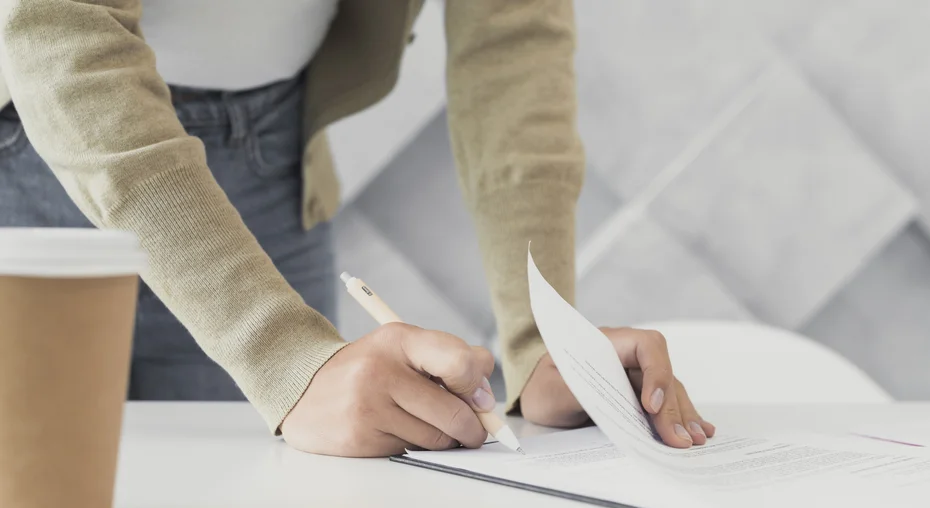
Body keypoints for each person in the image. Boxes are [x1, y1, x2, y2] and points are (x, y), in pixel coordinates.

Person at [0, 0, 714, 456]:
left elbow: (512, 38)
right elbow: (62, 30)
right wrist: (278, 351)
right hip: (27, 149)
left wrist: (545, 344)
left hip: (272, 152)